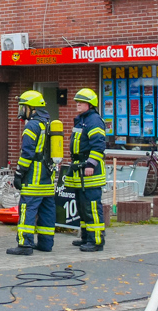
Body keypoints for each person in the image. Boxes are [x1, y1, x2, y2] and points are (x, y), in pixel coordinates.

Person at [8, 91, 56, 256]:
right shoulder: (48, 124)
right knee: (47, 211)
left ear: (32, 108)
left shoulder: (32, 125)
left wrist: (19, 174)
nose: (22, 110)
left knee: (27, 210)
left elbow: (27, 153)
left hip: (33, 179)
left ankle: (24, 245)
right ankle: (46, 243)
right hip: (48, 179)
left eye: (24, 106)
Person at [65, 88, 107, 253]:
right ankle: (86, 237)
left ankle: (96, 240)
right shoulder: (82, 120)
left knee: (91, 206)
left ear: (90, 104)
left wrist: (91, 164)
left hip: (90, 171)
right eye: (77, 101)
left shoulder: (94, 120)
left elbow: (98, 144)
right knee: (83, 207)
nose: (78, 104)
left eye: (81, 102)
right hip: (79, 170)